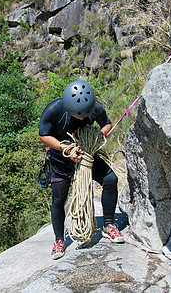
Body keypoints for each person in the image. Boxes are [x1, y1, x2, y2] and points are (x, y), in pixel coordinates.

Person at [39, 80, 125, 260]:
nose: (80, 118)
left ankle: (108, 225)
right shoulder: (54, 110)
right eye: (77, 116)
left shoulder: (95, 107)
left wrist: (96, 136)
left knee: (110, 180)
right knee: (59, 198)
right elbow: (44, 135)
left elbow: (106, 124)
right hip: (60, 160)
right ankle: (59, 239)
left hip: (86, 156)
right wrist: (67, 149)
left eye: (83, 115)